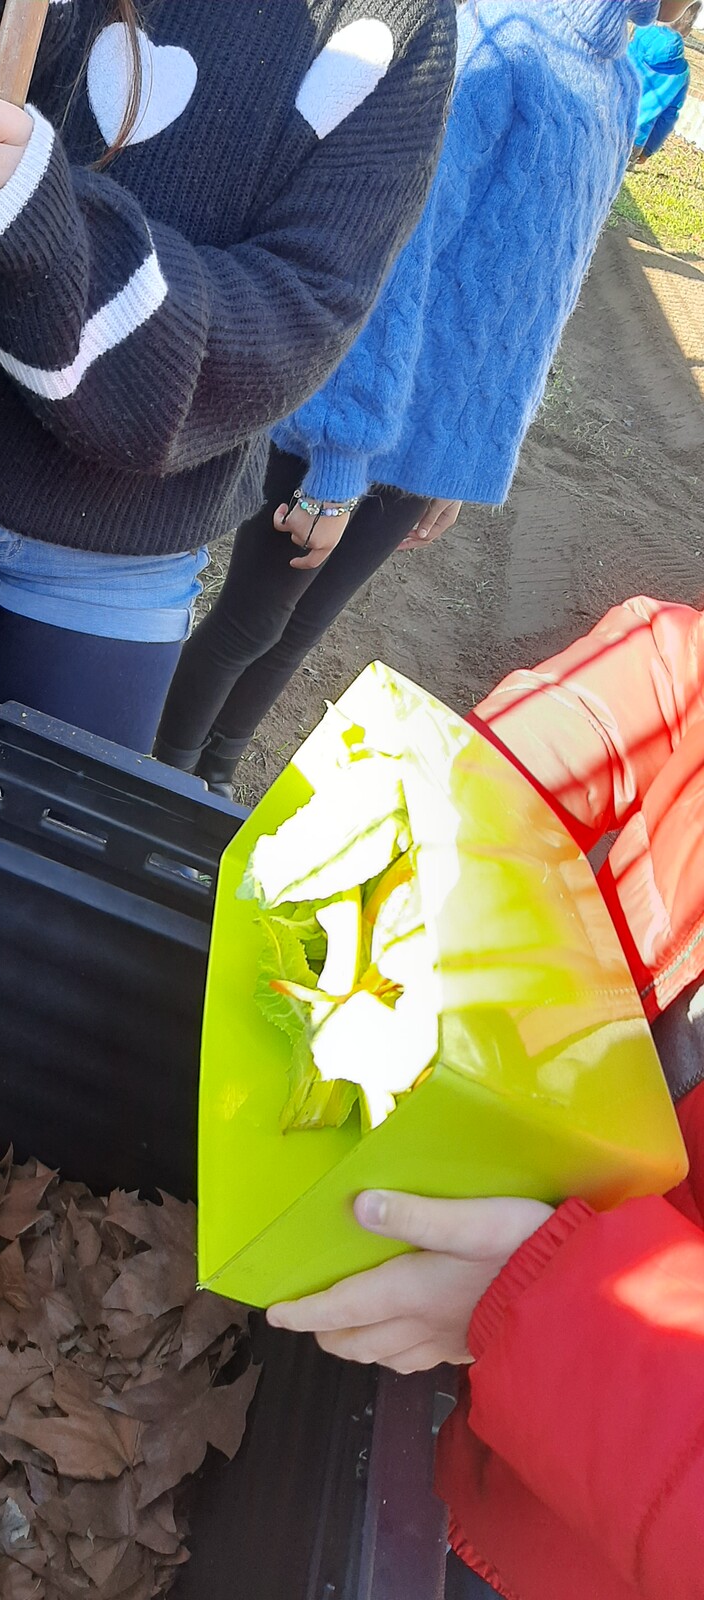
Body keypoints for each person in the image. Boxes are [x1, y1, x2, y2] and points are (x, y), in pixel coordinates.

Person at [0, 0, 457, 753]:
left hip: (125, 540)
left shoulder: (399, 25)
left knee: (55, 820)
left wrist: (56, 240)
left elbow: (302, 312)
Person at [267, 595, 704, 1600]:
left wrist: (542, 1304)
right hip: (485, 1347)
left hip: (586, 1546)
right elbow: (669, 684)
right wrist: (464, 799)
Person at [154, 0, 657, 795]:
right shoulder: (498, 46)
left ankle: (208, 791)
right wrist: (338, 463)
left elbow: (541, 302)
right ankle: (149, 788)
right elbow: (394, 257)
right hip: (344, 422)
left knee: (298, 635)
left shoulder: (621, 79)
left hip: (427, 443)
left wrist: (461, 460)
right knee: (252, 621)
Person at [631, 0, 700, 165]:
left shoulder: (635, 41)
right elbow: (668, 116)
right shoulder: (681, 73)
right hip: (635, 137)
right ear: (688, 31)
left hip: (605, 118)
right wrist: (649, 149)